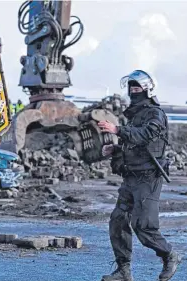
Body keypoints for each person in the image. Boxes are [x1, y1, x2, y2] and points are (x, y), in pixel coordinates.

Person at [98, 70, 182, 281]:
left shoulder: (156, 114)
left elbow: (144, 136)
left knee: (143, 226)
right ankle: (123, 270)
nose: (134, 91)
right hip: (131, 177)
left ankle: (169, 255)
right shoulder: (134, 115)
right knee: (118, 220)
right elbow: (133, 145)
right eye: (131, 88)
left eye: (138, 88)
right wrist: (114, 150)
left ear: (147, 90)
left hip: (148, 178)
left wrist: (117, 130)